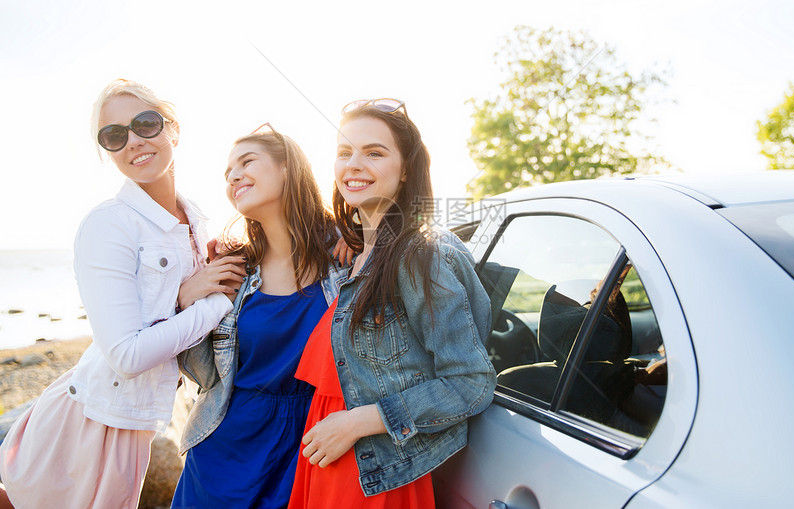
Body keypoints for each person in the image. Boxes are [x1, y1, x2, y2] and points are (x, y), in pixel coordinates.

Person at [0, 79, 244, 509]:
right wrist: (211, 303)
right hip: (88, 421)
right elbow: (127, 355)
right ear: (108, 150)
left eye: (145, 124)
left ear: (174, 129)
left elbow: (161, 315)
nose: (133, 141)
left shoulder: (197, 223)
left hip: (133, 424)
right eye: (114, 135)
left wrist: (183, 297)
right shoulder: (109, 224)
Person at [288, 99, 497, 508]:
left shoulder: (420, 255)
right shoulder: (358, 255)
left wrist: (354, 424)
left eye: (374, 152)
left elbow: (470, 382)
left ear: (405, 172)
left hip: (374, 474)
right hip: (331, 457)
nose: (354, 163)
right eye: (344, 152)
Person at [171, 124, 351, 508]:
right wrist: (184, 299)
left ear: (287, 167)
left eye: (246, 161)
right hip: (226, 447)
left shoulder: (348, 254)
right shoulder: (231, 267)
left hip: (313, 442)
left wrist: (362, 239)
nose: (233, 175)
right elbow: (195, 366)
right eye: (227, 173)